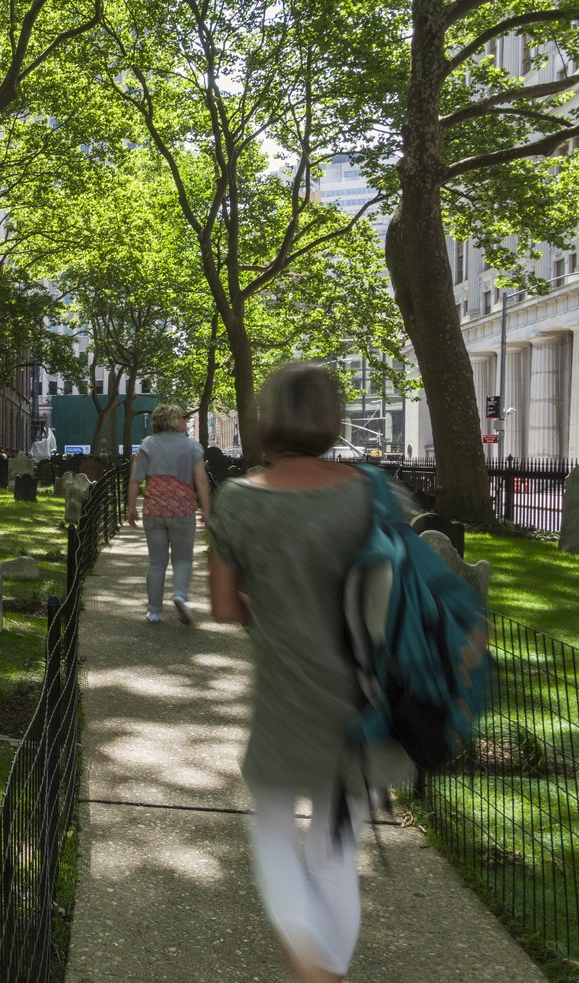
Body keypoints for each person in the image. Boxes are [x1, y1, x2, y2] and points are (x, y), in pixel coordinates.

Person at [208, 362, 409, 983]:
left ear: (266, 417)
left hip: (283, 701)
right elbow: (406, 587)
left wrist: (272, 607)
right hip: (362, 705)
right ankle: (330, 970)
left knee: (271, 830)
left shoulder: (240, 500)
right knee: (334, 855)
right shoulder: (374, 492)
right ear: (331, 417)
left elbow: (221, 605)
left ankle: (311, 967)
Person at [125, 403, 211, 625]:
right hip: (182, 510)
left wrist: (132, 506)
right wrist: (206, 510)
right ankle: (180, 594)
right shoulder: (192, 447)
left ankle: (154, 611)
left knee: (156, 561)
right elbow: (201, 480)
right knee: (183, 558)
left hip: (154, 510)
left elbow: (136, 479)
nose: (186, 420)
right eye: (183, 417)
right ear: (174, 420)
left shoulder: (147, 445)